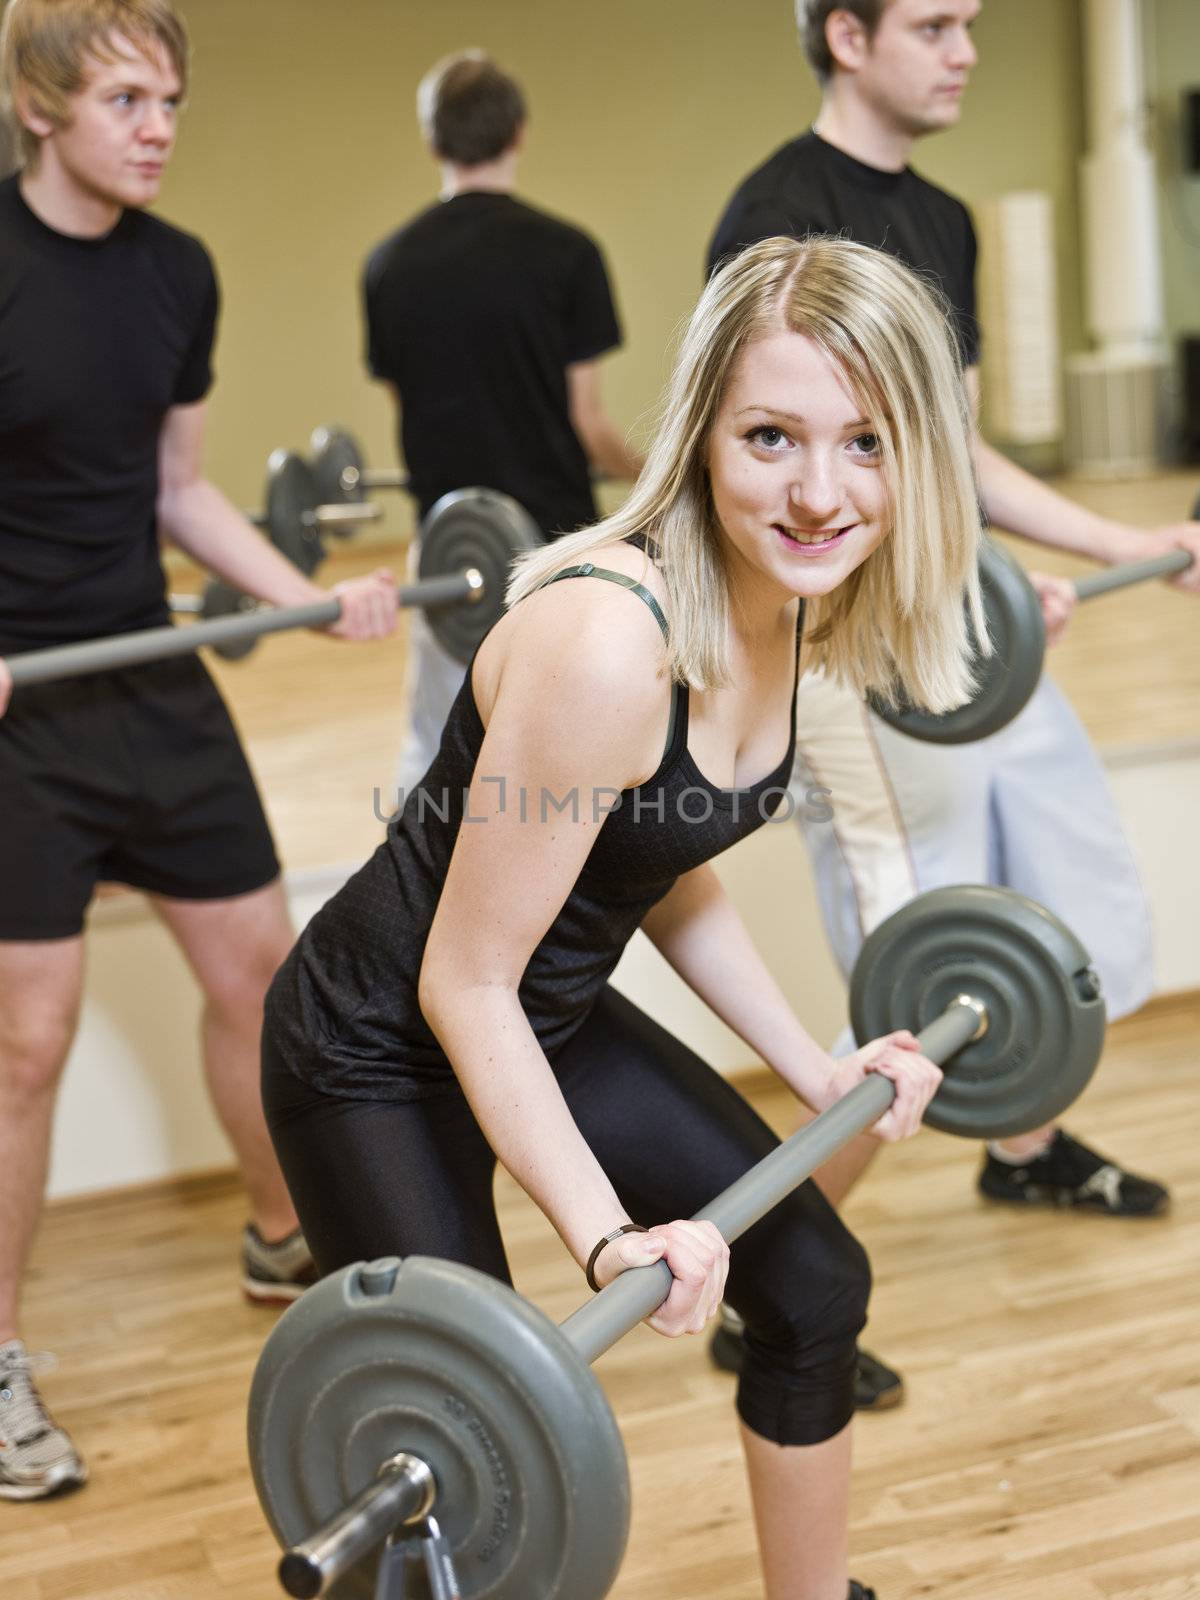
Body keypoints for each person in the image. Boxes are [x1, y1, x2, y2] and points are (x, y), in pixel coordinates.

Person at [262, 233, 991, 1600]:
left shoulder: (783, 605)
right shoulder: (612, 641)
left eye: (867, 443)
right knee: (458, 1451)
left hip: (545, 1013)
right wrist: (610, 1238)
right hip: (374, 1043)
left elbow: (657, 865)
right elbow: (460, 984)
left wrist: (819, 1069)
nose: (821, 491)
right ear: (703, 431)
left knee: (817, 1291)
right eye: (772, 435)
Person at [704, 0, 1200, 1404]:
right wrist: (910, 586)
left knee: (1058, 885)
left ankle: (1028, 1150)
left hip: (947, 620)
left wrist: (1112, 548)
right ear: (845, 36)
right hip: (855, 655)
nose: (966, 49)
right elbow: (778, 481)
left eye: (973, 23)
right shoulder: (776, 220)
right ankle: (772, 1279)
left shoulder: (948, 220)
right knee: (916, 989)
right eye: (934, 23)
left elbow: (950, 452)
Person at [0, 0, 398, 1500]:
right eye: (123, 96)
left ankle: (280, 1229)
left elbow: (178, 487)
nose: (158, 123)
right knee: (23, 1045)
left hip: (152, 684)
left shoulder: (180, 273)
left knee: (263, 977)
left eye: (169, 96)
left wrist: (304, 599)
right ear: (40, 107)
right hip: (20, 706)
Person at [362, 50, 644, 795]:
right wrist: (661, 478)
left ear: (432, 142)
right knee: (576, 744)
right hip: (559, 545)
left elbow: (410, 407)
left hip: (452, 552)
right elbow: (589, 425)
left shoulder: (386, 266)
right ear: (519, 131)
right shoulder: (569, 254)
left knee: (435, 754)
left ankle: (419, 904)